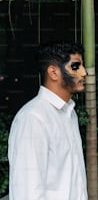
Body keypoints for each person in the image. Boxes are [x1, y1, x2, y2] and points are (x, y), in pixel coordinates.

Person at [8, 42, 88, 200]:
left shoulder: (70, 113)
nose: (84, 73)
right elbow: (27, 191)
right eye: (75, 67)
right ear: (53, 73)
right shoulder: (33, 118)